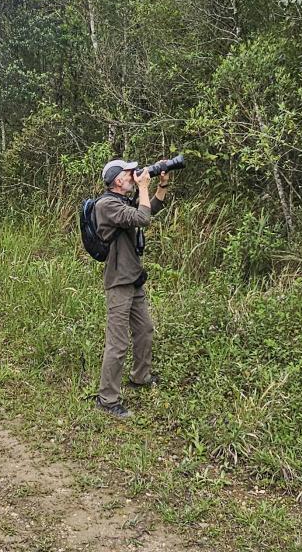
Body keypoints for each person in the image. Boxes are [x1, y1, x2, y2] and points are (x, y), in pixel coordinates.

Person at [93, 158, 171, 418]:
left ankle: (140, 375)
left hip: (133, 277)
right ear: (118, 180)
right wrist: (145, 187)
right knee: (117, 343)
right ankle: (107, 398)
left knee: (144, 329)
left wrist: (161, 186)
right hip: (118, 281)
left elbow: (149, 210)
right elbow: (142, 218)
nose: (134, 175)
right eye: (129, 173)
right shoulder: (106, 205)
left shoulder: (121, 202)